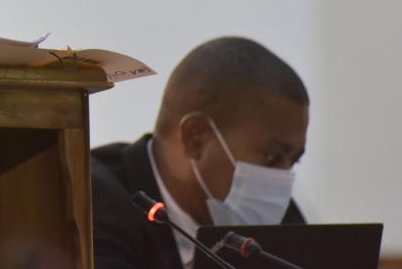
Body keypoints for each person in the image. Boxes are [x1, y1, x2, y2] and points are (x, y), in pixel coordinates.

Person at [91, 36, 308, 269]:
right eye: (272, 158)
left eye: (293, 161)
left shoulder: (284, 220)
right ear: (196, 138)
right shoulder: (93, 203)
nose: (282, 180)